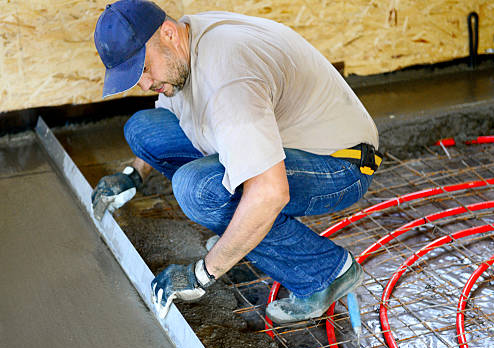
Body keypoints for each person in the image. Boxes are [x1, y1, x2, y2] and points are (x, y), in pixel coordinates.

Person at [91, 0, 382, 322]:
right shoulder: (187, 43)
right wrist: (133, 174)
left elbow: (270, 193)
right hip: (283, 141)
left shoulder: (229, 76)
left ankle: (326, 272)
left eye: (144, 69)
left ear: (169, 34)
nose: (144, 85)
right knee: (144, 129)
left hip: (338, 163)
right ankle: (245, 233)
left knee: (201, 191)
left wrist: (203, 273)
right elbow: (173, 115)